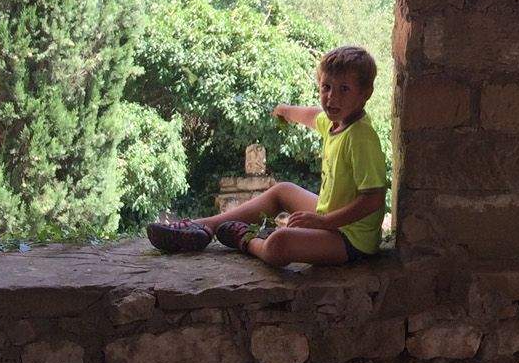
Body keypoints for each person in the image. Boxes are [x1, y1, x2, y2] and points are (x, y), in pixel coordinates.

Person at [145, 45, 387, 266]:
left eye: (344, 89)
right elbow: (313, 116)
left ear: (365, 93)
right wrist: (285, 111)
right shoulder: (335, 122)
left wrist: (325, 223)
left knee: (280, 244)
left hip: (352, 239)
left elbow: (373, 199)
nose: (332, 98)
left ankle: (248, 240)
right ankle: (202, 228)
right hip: (331, 219)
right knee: (283, 191)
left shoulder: (360, 137)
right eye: (326, 87)